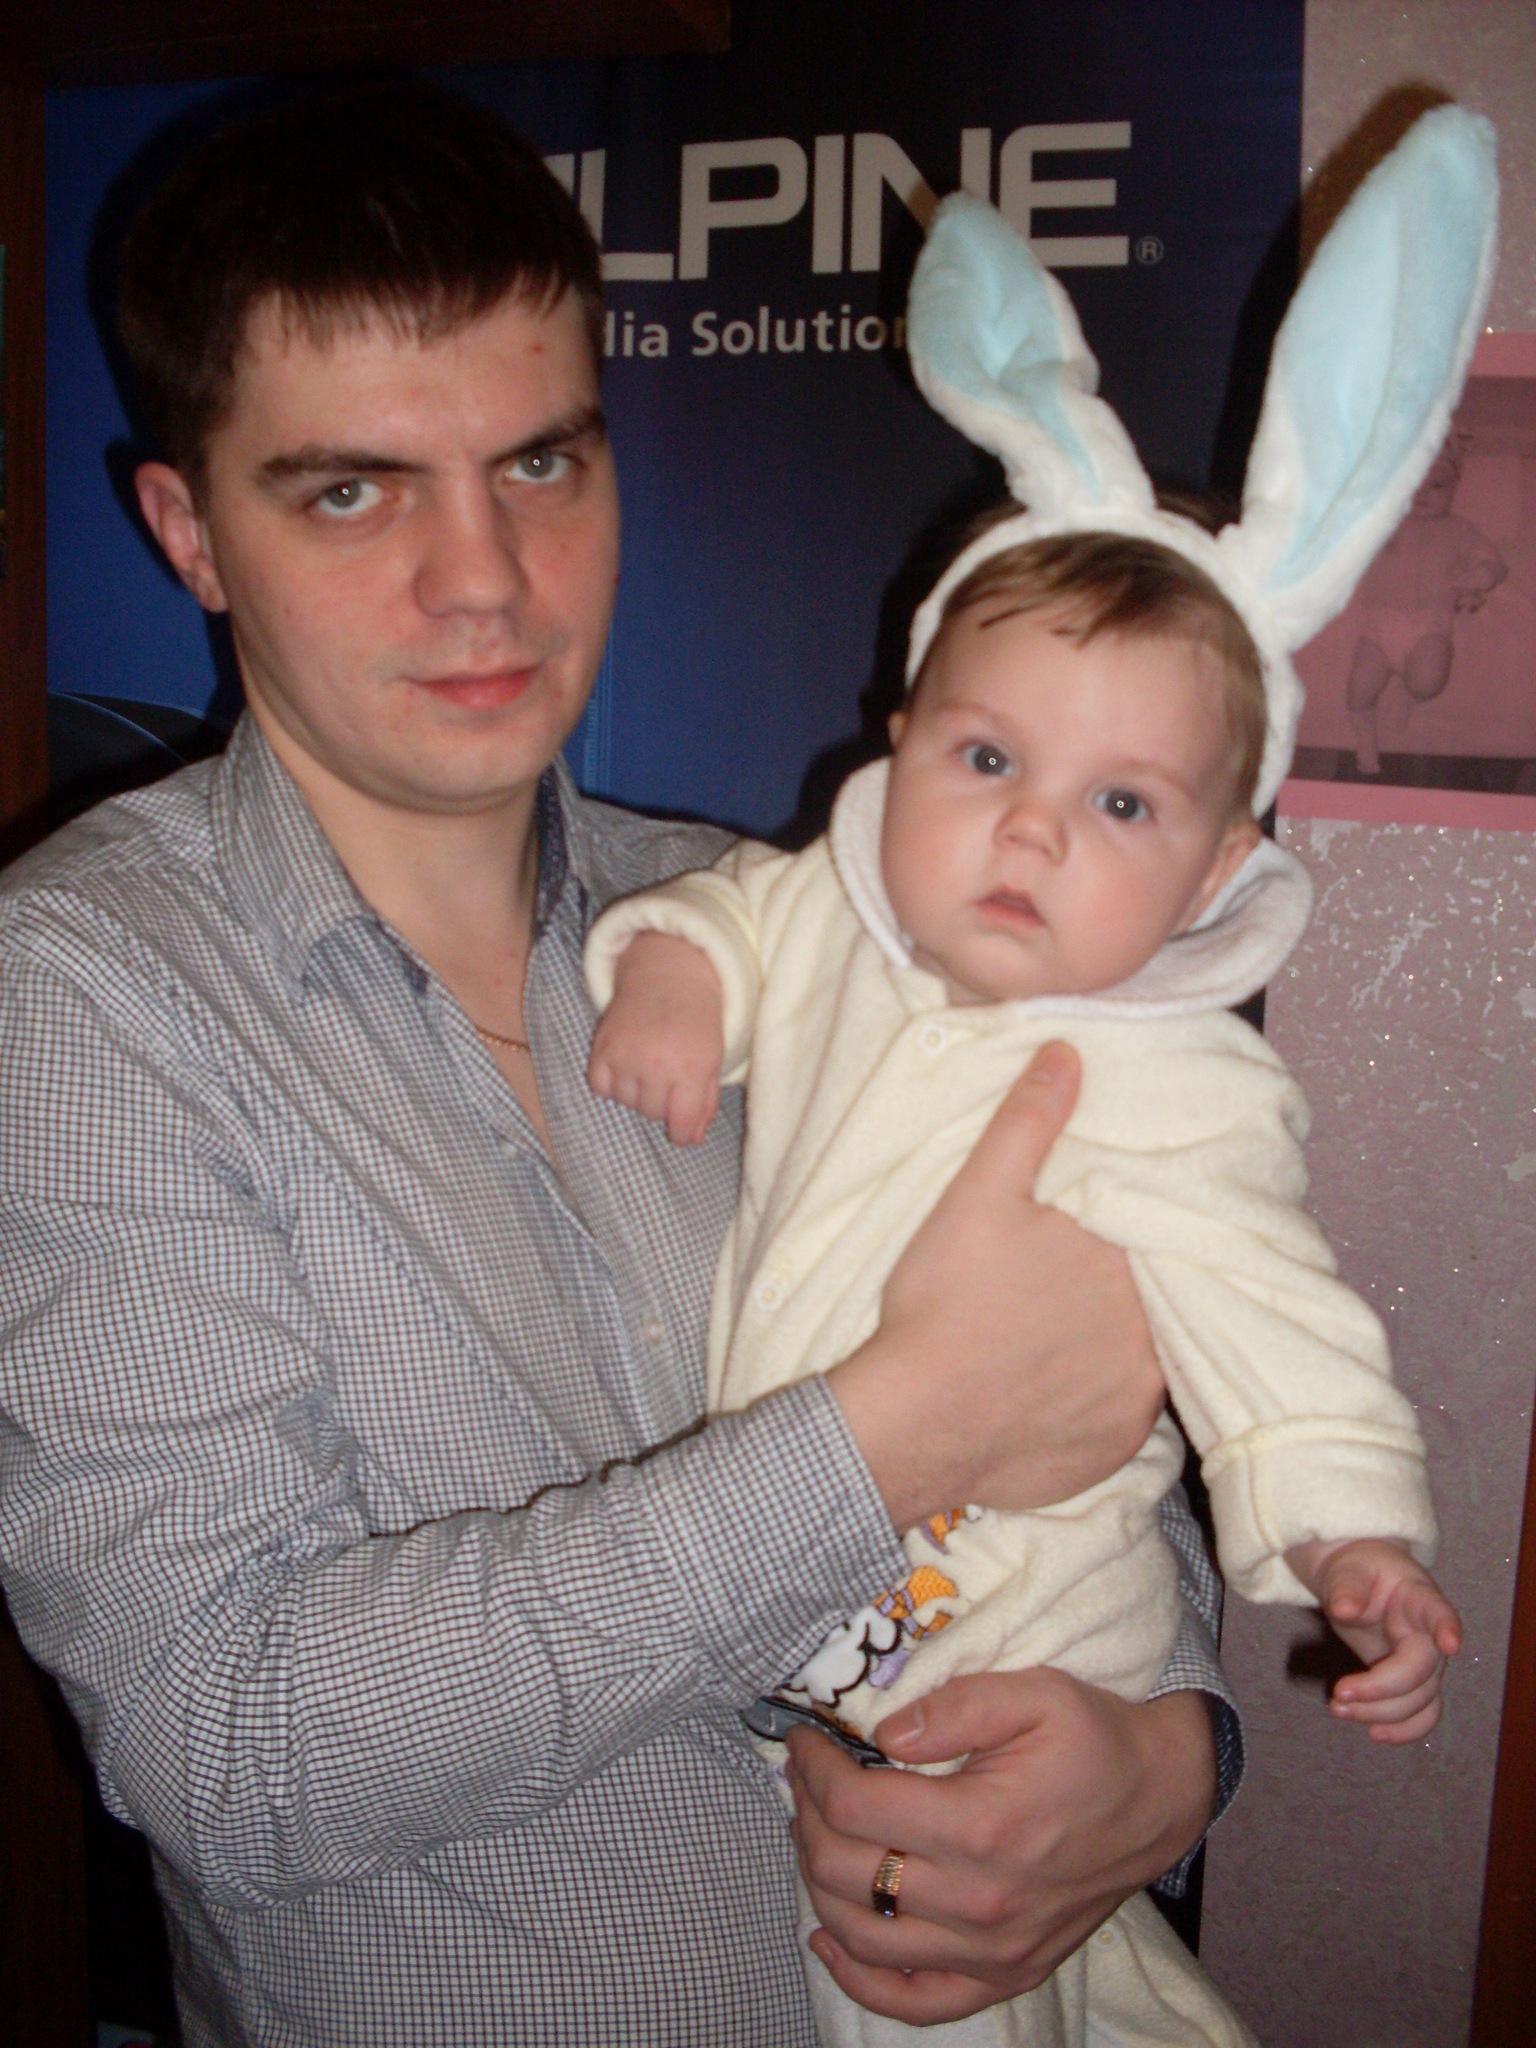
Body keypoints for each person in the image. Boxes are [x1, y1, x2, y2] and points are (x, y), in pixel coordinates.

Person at [0, 83, 1235, 2048]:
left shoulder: (788, 918)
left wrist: (1168, 1746)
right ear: (190, 533)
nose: (482, 578)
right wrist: (884, 1437)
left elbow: (1080, 1413)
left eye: (539, 462)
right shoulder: (83, 988)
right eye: (351, 492)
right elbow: (225, 1733)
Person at [584, 147, 1493, 2048]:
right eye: (989, 756)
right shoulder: (824, 911)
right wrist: (670, 973)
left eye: (1122, 802)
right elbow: (728, 921)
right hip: (806, 1593)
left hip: (1020, 1602)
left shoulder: (1186, 1081)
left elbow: (1274, 1321)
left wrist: (1355, 1540)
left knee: (937, 1973)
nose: (1030, 831)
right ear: (902, 733)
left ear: (1220, 870)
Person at [1345, 437, 1508, 774]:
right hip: (1378, 627)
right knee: (1358, 691)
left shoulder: (1460, 530)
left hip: (1429, 627)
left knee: (1429, 682)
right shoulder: (1384, 524)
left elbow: (1492, 562)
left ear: (1454, 489)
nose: (1421, 493)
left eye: (1436, 485)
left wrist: (1481, 576)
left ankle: (1406, 695)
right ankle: (1366, 742)